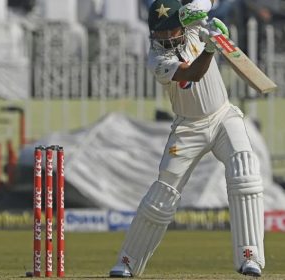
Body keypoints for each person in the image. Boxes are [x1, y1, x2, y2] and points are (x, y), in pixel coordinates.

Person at [109, 0, 264, 278]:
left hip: (222, 116)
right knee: (162, 195)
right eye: (160, 34)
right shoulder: (157, 60)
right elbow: (192, 73)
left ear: (181, 25)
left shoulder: (190, 24)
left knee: (245, 172)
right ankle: (128, 261)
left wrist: (202, 12)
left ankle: (249, 256)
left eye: (170, 31)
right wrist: (210, 48)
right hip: (187, 129)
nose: (166, 38)